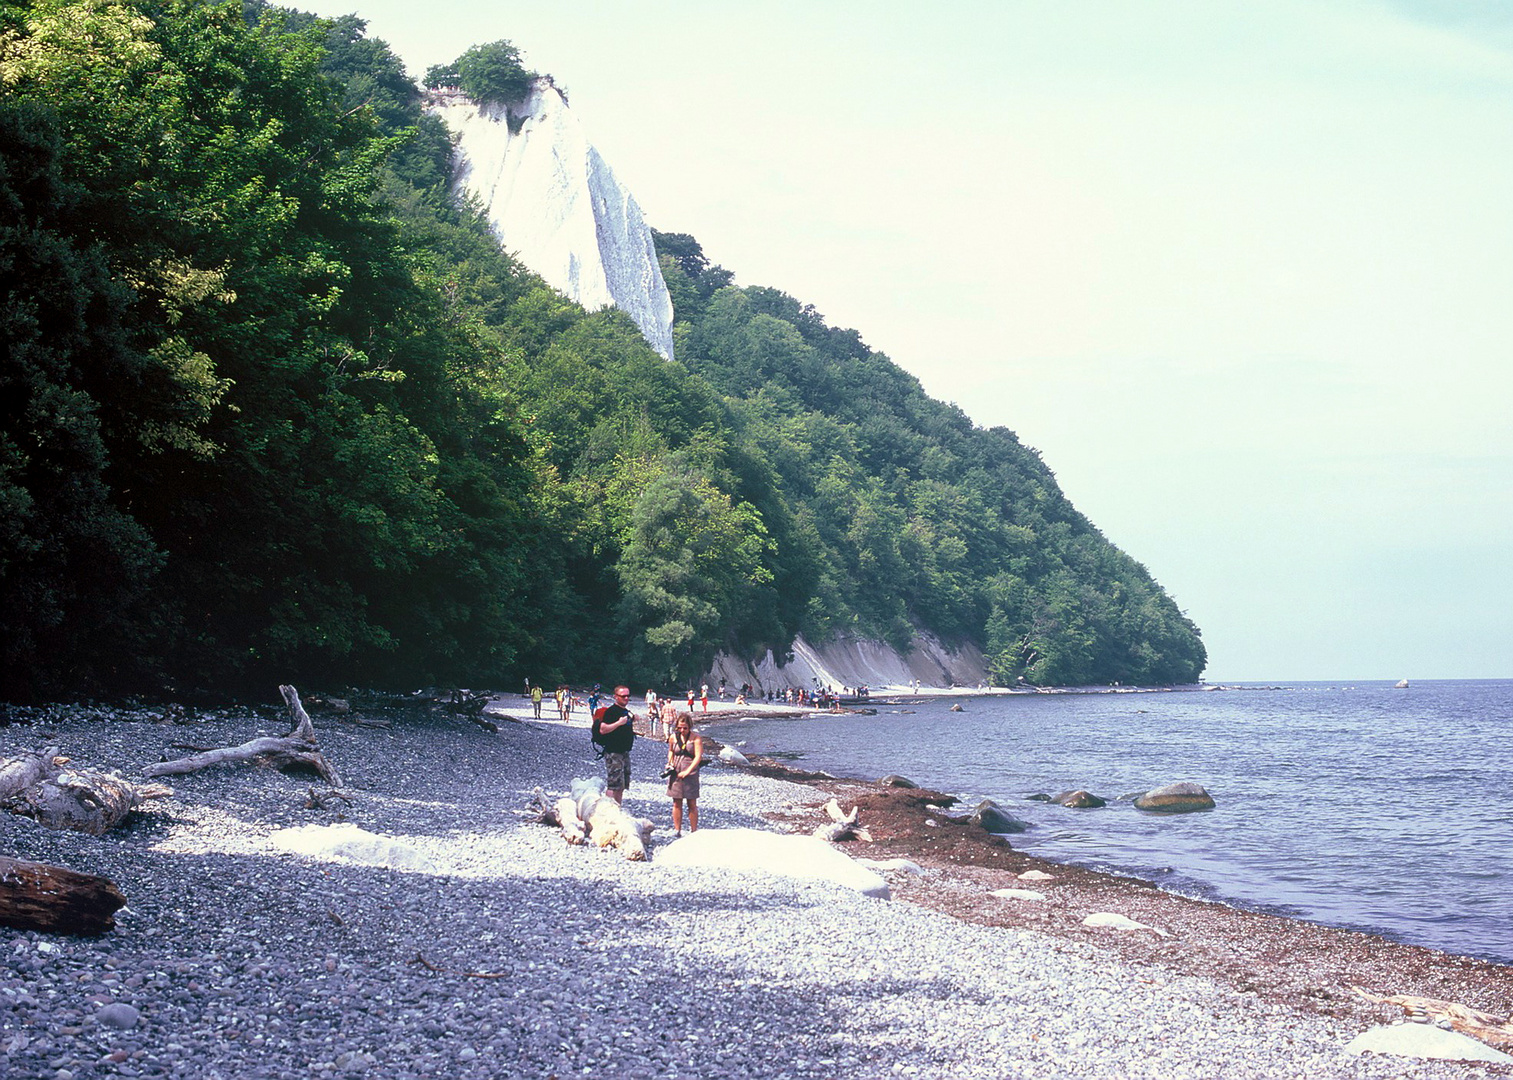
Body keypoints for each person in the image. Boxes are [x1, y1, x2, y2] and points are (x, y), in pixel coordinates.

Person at [595, 685, 636, 805]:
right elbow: (603, 729)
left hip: (624, 752)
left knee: (621, 784)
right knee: (613, 784)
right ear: (616, 697)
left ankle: (617, 809)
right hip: (614, 752)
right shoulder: (611, 712)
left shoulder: (625, 711)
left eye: (628, 696)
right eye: (623, 696)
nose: (626, 698)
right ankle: (607, 810)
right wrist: (618, 723)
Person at [664, 712, 703, 835]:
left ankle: (693, 830)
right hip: (676, 770)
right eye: (679, 728)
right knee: (676, 802)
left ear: (689, 727)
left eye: (685, 728)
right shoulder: (673, 737)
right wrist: (669, 763)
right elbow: (671, 751)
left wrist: (688, 771)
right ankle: (677, 829)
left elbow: (698, 757)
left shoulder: (696, 738)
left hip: (690, 772)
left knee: (691, 802)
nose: (682, 730)